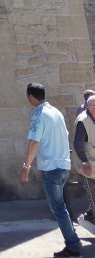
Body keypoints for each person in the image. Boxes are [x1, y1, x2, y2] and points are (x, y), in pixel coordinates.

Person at [21, 82, 82, 258]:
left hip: (51, 167)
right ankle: (73, 241)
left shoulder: (38, 114)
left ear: (31, 96)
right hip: (63, 164)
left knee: (58, 209)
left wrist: (26, 165)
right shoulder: (56, 112)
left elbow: (34, 141)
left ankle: (73, 246)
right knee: (61, 208)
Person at [72, 94, 95, 223]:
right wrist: (85, 162)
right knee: (93, 199)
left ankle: (88, 216)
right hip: (88, 167)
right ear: (88, 106)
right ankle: (90, 216)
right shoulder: (83, 121)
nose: (94, 108)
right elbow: (77, 144)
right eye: (92, 106)